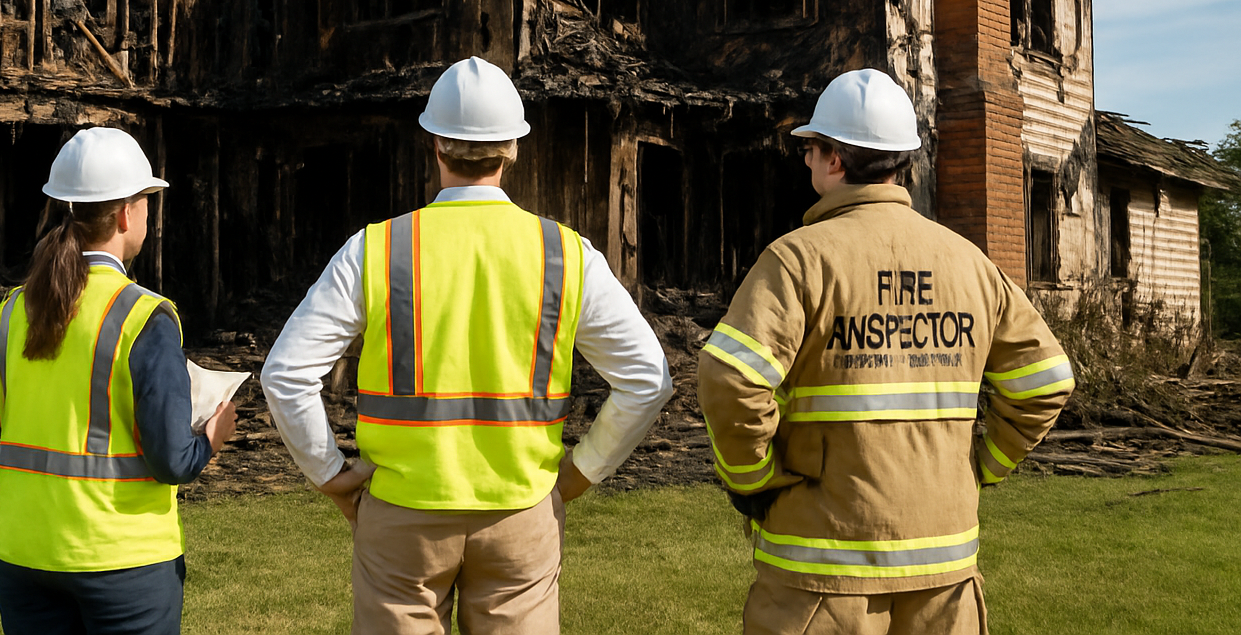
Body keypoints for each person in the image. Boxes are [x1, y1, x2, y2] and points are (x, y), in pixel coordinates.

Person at [261, 56, 674, 635]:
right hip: (521, 516)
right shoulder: (565, 253)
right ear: (512, 149)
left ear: (434, 144)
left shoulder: (375, 250)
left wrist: (329, 474)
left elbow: (284, 374)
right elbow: (648, 379)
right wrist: (580, 474)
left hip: (402, 517)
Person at [699, 69, 1075, 635]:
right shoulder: (968, 262)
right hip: (945, 570)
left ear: (836, 161)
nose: (805, 161)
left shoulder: (798, 259)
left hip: (820, 571)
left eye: (812, 148)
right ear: (902, 161)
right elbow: (1045, 380)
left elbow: (730, 379)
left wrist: (752, 479)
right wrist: (980, 468)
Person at [0, 127, 238, 635]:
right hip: (122, 562)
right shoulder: (144, 317)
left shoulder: (7, 315)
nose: (147, 214)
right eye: (145, 201)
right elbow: (172, 460)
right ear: (124, 214)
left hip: (23, 556)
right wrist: (212, 435)